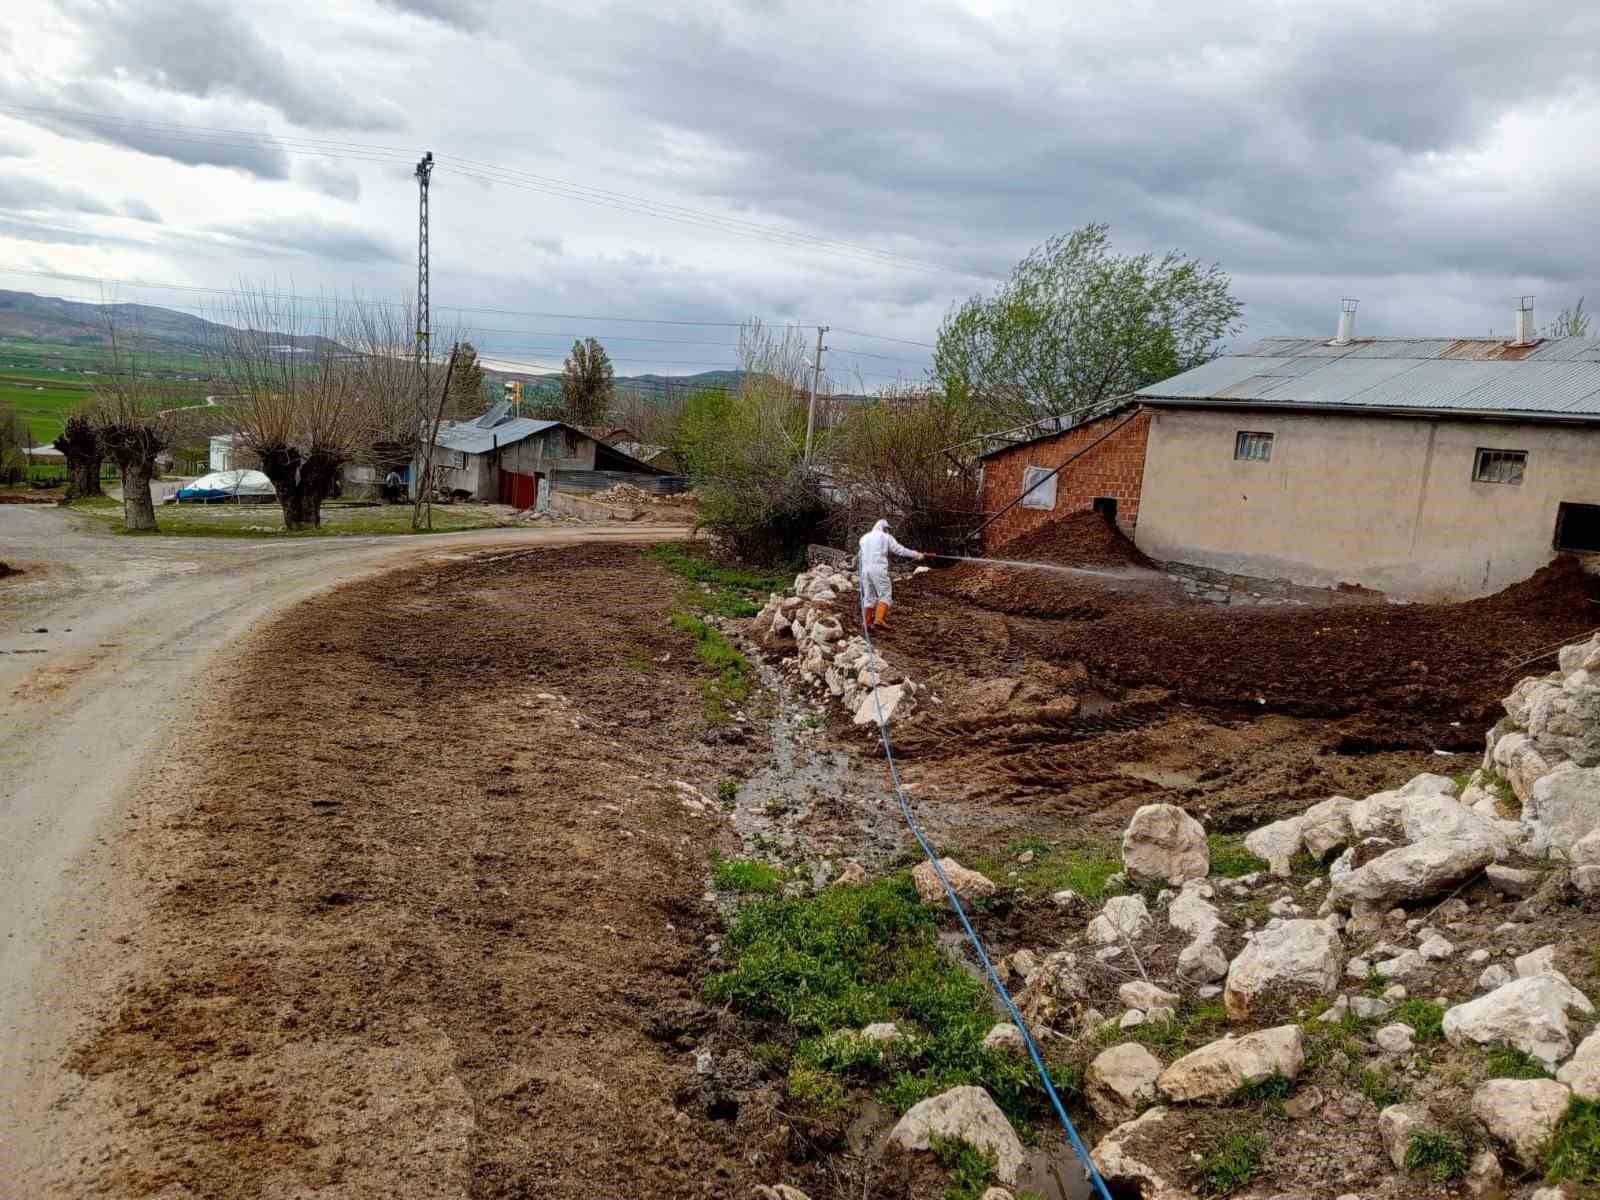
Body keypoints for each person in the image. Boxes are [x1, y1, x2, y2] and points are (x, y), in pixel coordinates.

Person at [857, 518, 923, 629]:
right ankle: (879, 620)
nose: (888, 531)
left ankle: (866, 623)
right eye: (887, 529)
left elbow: (860, 555)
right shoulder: (885, 537)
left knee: (868, 597)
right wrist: (916, 554)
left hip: (865, 570)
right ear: (884, 528)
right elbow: (900, 550)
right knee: (885, 595)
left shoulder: (864, 538)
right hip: (878, 569)